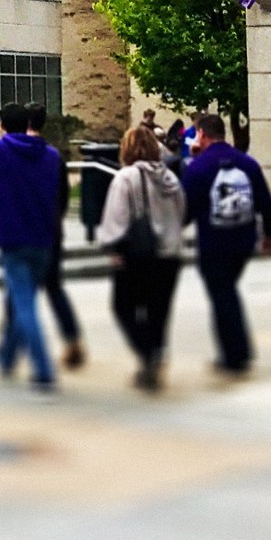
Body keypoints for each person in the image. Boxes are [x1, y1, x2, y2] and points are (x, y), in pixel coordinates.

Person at [0, 103, 62, 392]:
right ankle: (7, 357)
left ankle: (43, 369)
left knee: (25, 304)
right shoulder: (51, 155)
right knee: (24, 298)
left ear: (3, 124)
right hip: (44, 237)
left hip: (12, 237)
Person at [182, 113, 271, 377]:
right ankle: (235, 350)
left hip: (214, 241)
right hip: (243, 239)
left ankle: (235, 354)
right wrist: (269, 233)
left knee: (222, 294)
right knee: (227, 290)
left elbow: (185, 209)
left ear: (201, 133)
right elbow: (265, 202)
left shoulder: (199, 167)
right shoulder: (247, 163)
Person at [98, 127, 186, 392]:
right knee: (158, 312)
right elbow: (181, 212)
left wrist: (114, 248)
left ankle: (146, 354)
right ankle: (156, 354)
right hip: (169, 255)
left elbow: (116, 217)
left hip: (137, 254)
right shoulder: (169, 177)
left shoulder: (126, 177)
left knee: (123, 307)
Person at [25, 102, 85, 369]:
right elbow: (62, 196)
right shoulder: (54, 156)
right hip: (52, 231)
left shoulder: (18, 153)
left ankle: (11, 345)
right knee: (53, 287)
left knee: (20, 291)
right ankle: (72, 339)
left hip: (28, 232)